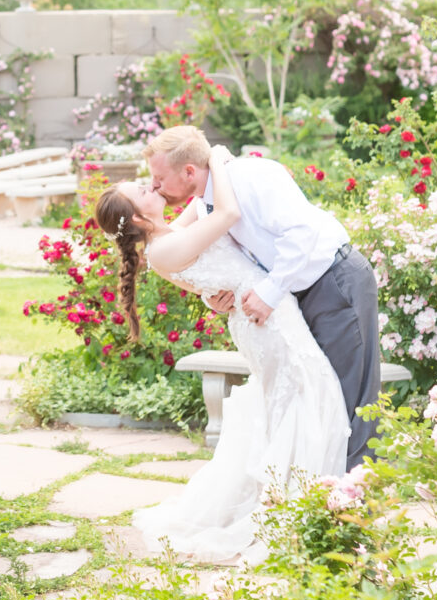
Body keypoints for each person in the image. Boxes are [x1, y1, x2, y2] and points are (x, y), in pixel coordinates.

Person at [93, 144, 351, 564]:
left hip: (265, 311)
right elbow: (225, 215)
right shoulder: (161, 250)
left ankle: (297, 498)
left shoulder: (170, 231)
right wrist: (217, 158)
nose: (152, 184)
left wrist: (219, 167)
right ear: (139, 218)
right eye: (144, 188)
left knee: (299, 396)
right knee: (298, 396)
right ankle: (288, 505)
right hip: (263, 321)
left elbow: (202, 203)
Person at [143, 125, 382, 470]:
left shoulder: (252, 177)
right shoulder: (208, 203)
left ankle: (357, 501)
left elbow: (301, 232)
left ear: (189, 171)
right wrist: (216, 297)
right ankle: (321, 496)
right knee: (319, 396)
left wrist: (270, 293)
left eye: (159, 178)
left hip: (334, 280)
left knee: (351, 399)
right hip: (296, 295)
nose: (155, 186)